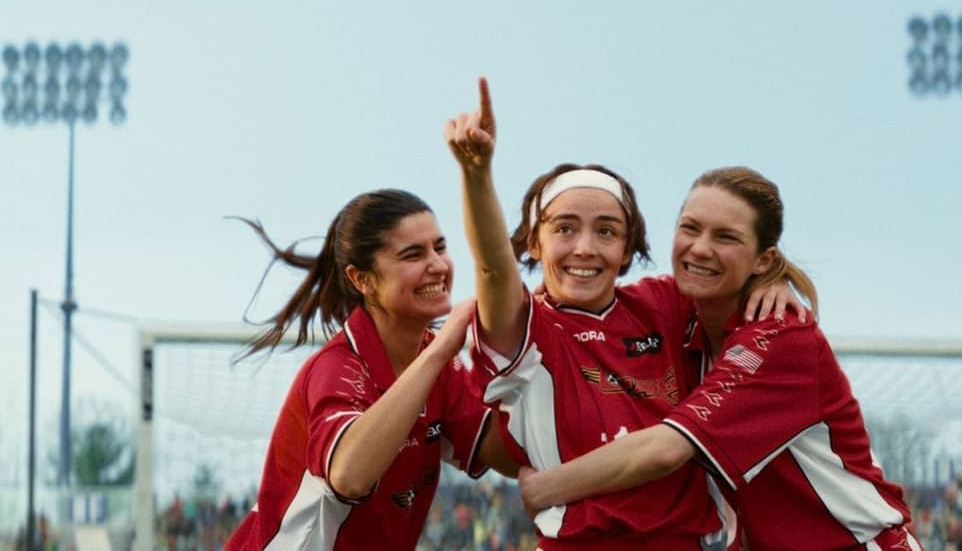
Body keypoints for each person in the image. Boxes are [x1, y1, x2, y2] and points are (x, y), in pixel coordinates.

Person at [444, 79, 802, 549]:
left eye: (607, 231)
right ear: (533, 243)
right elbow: (492, 267)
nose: (585, 248)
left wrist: (769, 279)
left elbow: (727, 269)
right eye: (564, 229)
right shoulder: (527, 329)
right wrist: (476, 176)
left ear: (628, 247)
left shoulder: (664, 304)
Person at [517, 167, 923, 550]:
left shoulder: (782, 338)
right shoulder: (674, 312)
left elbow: (666, 450)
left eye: (726, 237)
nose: (700, 248)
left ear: (763, 259)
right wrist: (528, 309)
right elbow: (576, 306)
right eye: (690, 228)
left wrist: (545, 488)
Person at [224, 189, 513, 550]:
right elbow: (349, 476)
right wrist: (439, 352)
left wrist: (518, 364)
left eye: (439, 248)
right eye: (413, 255)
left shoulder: (439, 364)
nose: (438, 265)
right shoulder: (338, 367)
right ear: (362, 279)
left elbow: (506, 457)